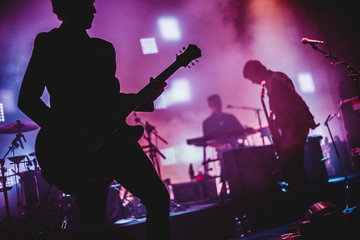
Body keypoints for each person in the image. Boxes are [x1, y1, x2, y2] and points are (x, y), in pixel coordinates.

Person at [17, 0, 170, 239]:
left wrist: (145, 98)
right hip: (74, 150)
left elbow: (108, 100)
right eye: (86, 4)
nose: (93, 10)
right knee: (94, 220)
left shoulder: (104, 49)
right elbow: (27, 99)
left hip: (115, 139)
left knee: (158, 197)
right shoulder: (49, 43)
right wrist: (72, 133)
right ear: (66, 8)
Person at [243, 59, 319, 221]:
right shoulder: (274, 79)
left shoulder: (275, 82)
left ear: (257, 70)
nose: (253, 82)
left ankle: (309, 212)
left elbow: (288, 108)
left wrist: (282, 134)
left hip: (294, 129)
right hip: (294, 128)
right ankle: (310, 211)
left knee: (293, 171)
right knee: (294, 171)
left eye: (251, 78)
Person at [202, 94, 245, 196]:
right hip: (222, 150)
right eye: (215, 102)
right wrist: (225, 147)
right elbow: (209, 141)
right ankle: (224, 188)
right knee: (225, 157)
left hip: (236, 148)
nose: (218, 104)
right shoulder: (207, 122)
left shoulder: (230, 117)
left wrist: (240, 140)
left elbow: (242, 132)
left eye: (219, 102)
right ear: (210, 106)